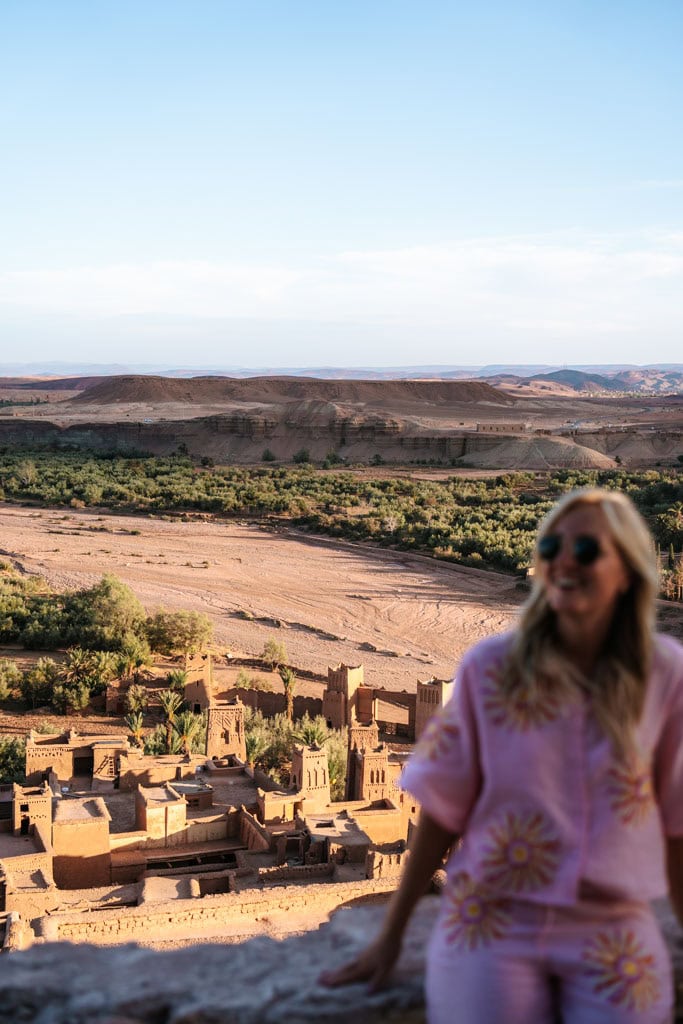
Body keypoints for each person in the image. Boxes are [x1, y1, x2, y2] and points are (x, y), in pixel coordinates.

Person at [321, 488, 683, 1023]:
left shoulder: (666, 677)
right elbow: (441, 811)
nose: (564, 559)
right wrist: (390, 937)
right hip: (489, 921)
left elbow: (677, 826)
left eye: (586, 550)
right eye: (551, 546)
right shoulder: (490, 668)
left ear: (627, 571)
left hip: (612, 928)